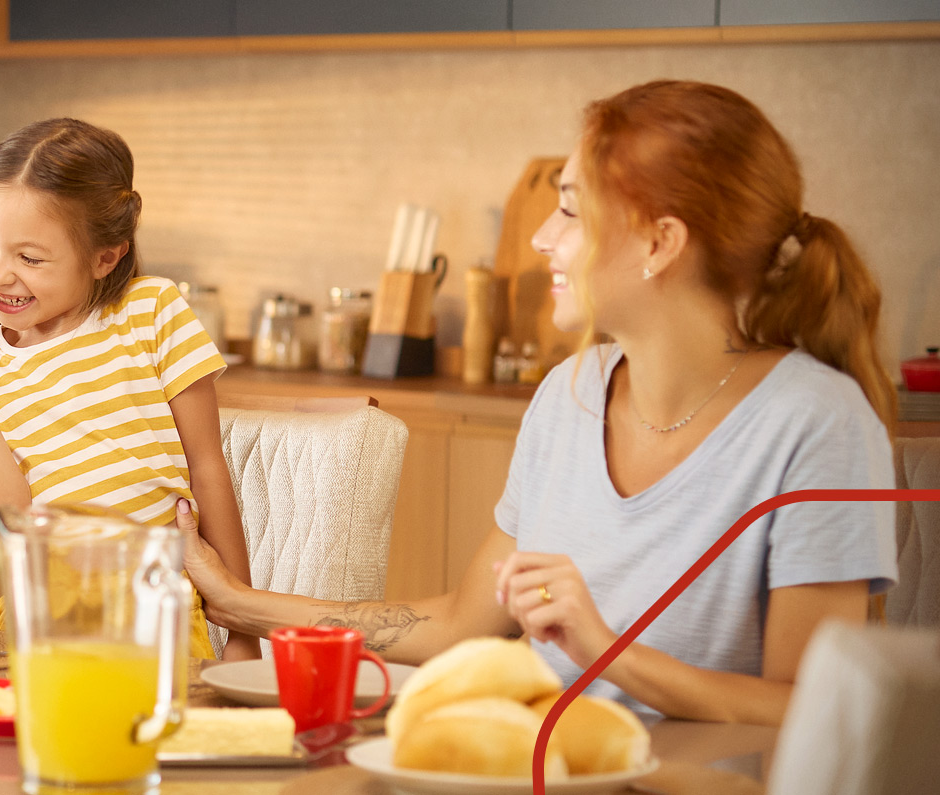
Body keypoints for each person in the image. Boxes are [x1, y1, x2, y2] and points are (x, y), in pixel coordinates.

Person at [181, 80, 898, 725]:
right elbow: (463, 625)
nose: (542, 237)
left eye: (570, 211)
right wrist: (242, 601)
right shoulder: (570, 394)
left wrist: (604, 650)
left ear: (660, 242)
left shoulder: (817, 422)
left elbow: (810, 704)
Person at [0, 118, 255, 659]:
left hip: (155, 621)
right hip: (34, 622)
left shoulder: (151, 312)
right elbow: (2, 515)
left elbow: (208, 469)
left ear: (104, 256)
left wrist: (243, 631)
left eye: (30, 257)